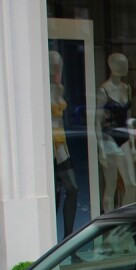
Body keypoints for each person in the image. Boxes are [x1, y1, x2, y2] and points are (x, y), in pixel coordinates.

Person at [97, 52, 136, 213]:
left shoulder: (126, 88)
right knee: (111, 186)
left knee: (131, 185)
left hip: (125, 137)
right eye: (122, 64)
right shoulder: (103, 91)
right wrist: (101, 149)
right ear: (112, 66)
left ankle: (126, 222)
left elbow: (128, 118)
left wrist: (133, 144)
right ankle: (110, 228)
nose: (125, 67)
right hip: (109, 139)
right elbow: (96, 122)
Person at [49, 51, 79, 237]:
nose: (58, 70)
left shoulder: (59, 89)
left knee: (72, 189)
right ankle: (50, 237)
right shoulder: (42, 90)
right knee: (55, 194)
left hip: (61, 145)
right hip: (49, 145)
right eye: (55, 66)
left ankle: (68, 239)